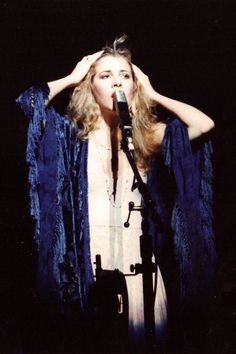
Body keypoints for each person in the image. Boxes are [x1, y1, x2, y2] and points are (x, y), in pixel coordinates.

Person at [16, 35, 216, 352]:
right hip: (90, 277)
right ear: (90, 86)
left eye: (125, 75)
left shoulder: (148, 136)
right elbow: (28, 103)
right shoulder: (71, 135)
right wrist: (72, 77)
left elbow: (204, 124)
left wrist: (153, 92)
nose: (116, 82)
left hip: (141, 280)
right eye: (105, 76)